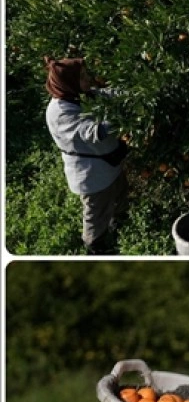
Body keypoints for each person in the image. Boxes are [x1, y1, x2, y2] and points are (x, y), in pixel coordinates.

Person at [44, 56, 129, 254]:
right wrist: (122, 117)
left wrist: (133, 96)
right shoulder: (59, 112)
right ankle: (94, 246)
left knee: (120, 193)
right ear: (68, 82)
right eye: (82, 76)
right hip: (92, 175)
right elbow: (92, 132)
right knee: (96, 212)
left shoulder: (81, 95)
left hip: (110, 162)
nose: (87, 79)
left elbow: (107, 94)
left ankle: (120, 226)